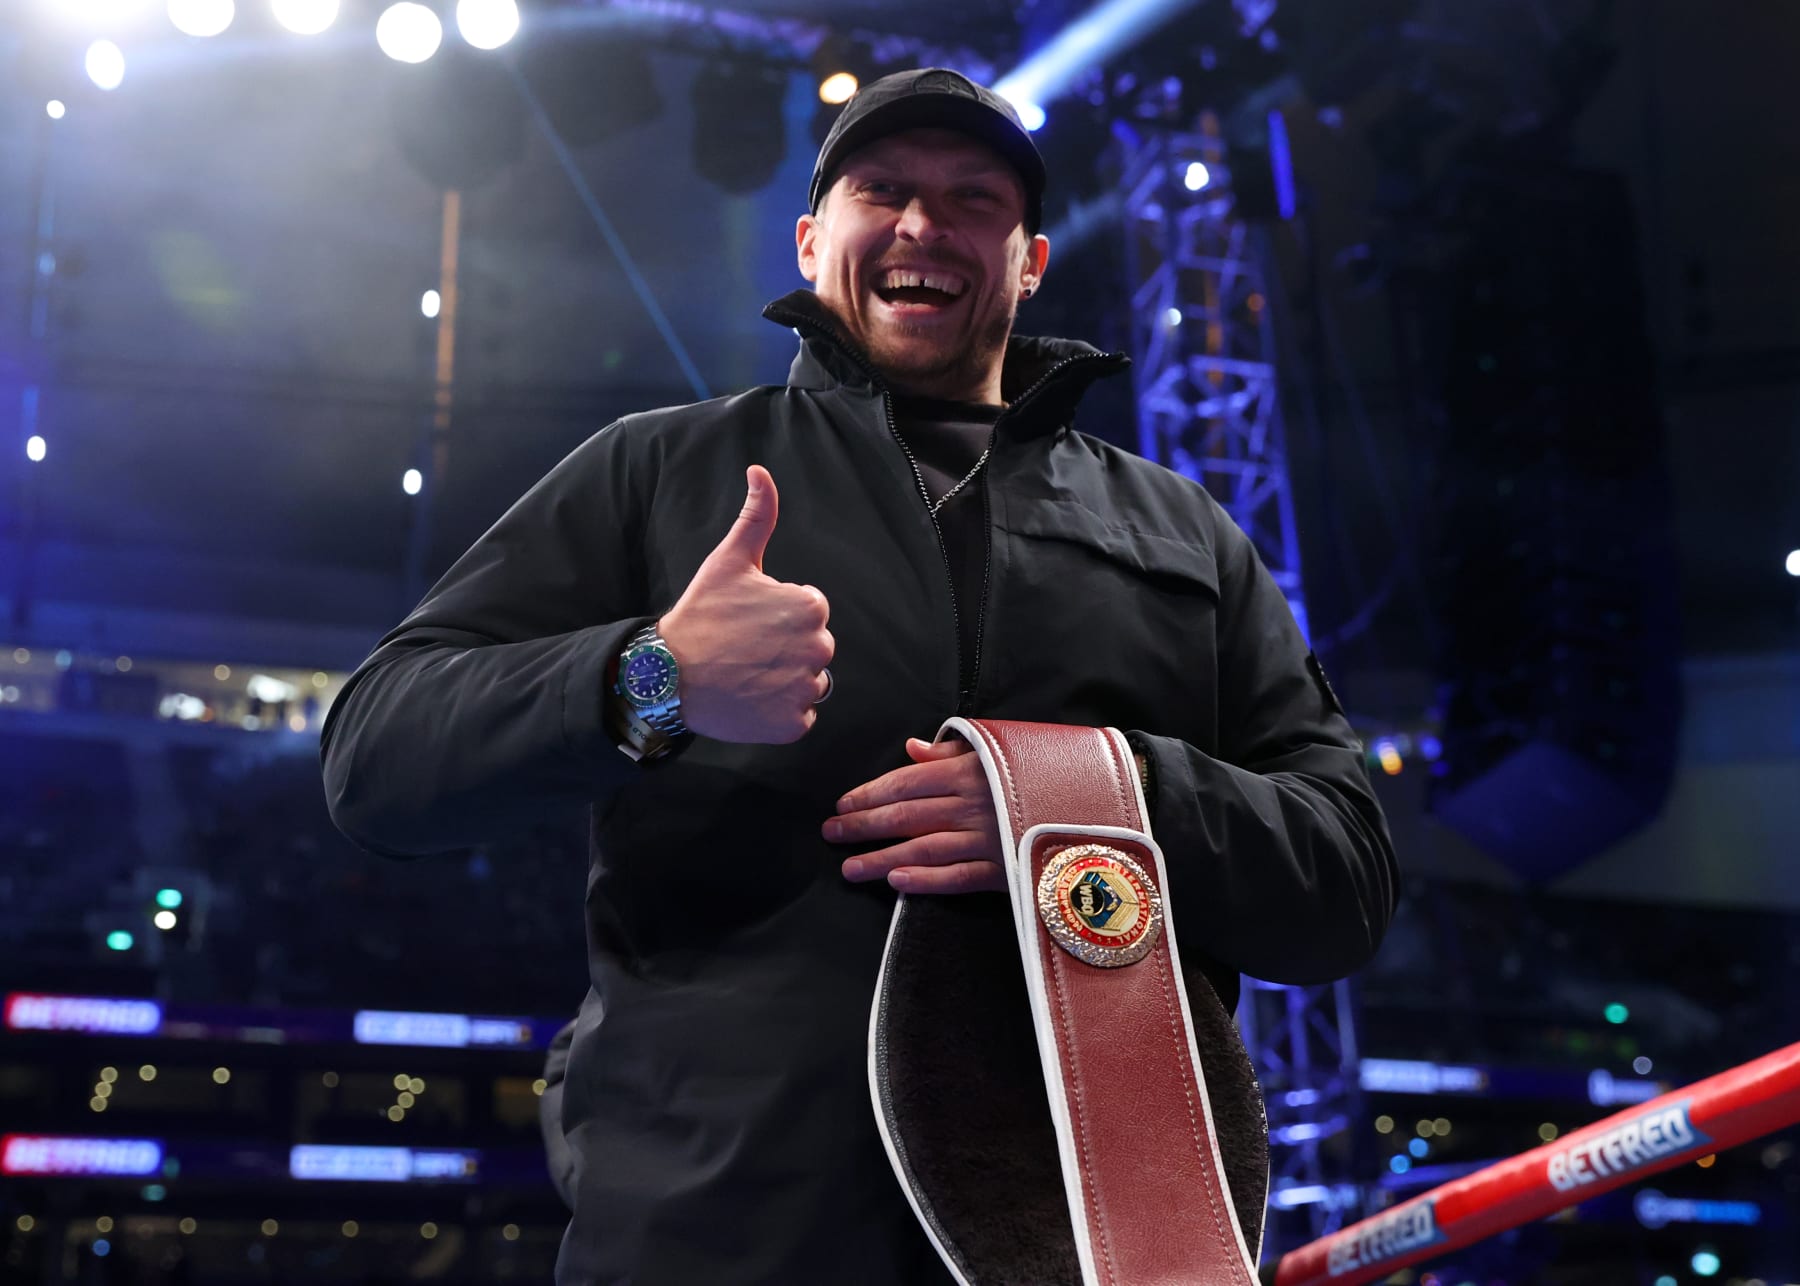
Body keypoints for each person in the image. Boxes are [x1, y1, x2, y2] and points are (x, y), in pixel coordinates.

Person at [321, 67, 1398, 1286]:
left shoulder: (1185, 532)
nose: (924, 226)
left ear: (1031, 257)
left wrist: (1086, 805)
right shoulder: (666, 471)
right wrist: (656, 680)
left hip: (1099, 1244)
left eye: (971, 199)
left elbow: (1347, 874)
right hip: (722, 1239)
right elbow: (375, 758)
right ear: (810, 237)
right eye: (881, 189)